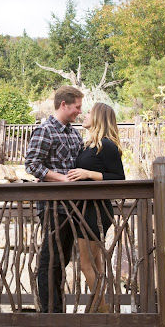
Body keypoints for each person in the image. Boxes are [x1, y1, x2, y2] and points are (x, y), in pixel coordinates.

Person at [25, 85, 84, 313]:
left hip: (73, 206)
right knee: (50, 260)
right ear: (64, 105)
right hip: (52, 205)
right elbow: (32, 164)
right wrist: (62, 180)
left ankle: (58, 310)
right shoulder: (45, 130)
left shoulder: (73, 132)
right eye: (77, 107)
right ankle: (50, 313)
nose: (79, 111)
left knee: (63, 259)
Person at [66, 102, 125, 312]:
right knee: (96, 265)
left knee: (86, 264)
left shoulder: (107, 145)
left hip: (96, 211)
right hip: (84, 209)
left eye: (89, 112)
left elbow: (119, 178)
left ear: (99, 117)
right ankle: (101, 307)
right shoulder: (90, 144)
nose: (84, 114)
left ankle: (103, 312)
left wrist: (89, 174)